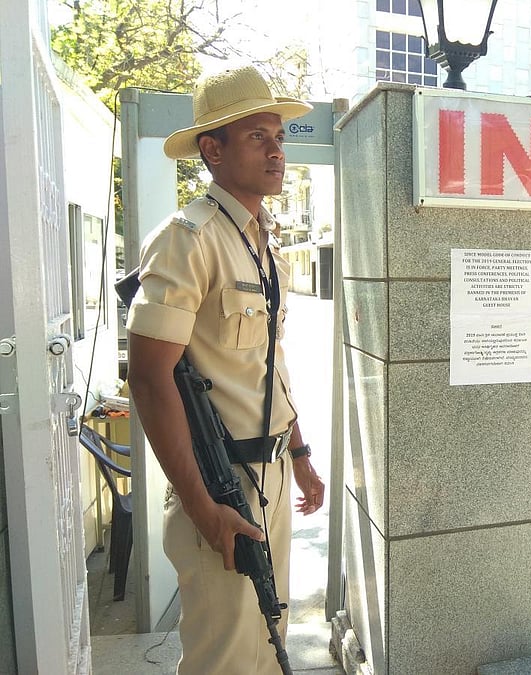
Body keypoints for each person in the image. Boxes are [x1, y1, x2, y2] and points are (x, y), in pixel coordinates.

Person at [125, 65, 325, 675]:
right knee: (224, 658)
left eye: (280, 137)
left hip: (268, 477)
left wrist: (298, 451)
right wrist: (203, 508)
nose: (276, 151)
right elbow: (150, 377)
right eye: (256, 137)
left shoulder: (259, 239)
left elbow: (267, 362)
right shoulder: (190, 239)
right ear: (212, 150)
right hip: (219, 482)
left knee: (266, 644)